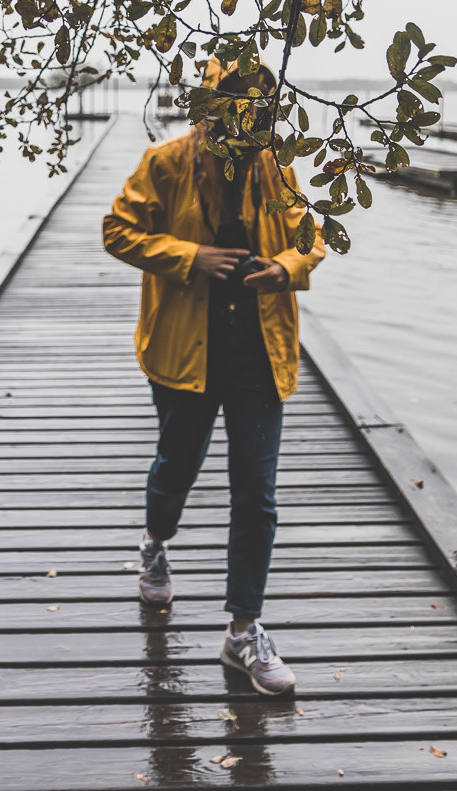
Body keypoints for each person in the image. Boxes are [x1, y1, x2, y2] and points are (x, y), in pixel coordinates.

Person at [102, 59, 325, 696]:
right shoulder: (167, 163)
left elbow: (313, 238)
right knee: (178, 463)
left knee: (256, 494)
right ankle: (154, 541)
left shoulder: (276, 167)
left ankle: (242, 632)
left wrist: (285, 268)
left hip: (259, 349)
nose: (249, 117)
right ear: (210, 106)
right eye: (237, 105)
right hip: (185, 350)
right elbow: (117, 230)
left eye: (260, 106)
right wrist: (189, 256)